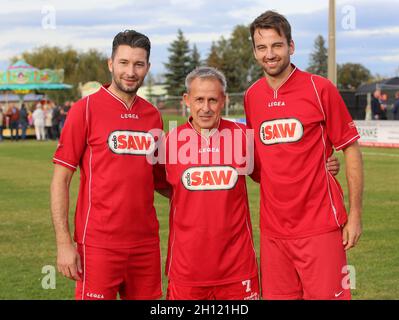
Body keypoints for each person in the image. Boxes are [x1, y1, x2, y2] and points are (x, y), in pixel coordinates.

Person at [162, 67, 341, 300]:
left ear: (224, 101)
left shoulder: (243, 137)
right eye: (199, 100)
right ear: (186, 100)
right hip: (186, 269)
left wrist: (319, 165)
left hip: (238, 269)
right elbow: (158, 183)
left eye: (213, 100)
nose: (205, 108)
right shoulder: (169, 142)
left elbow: (277, 168)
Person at [245, 11, 363, 300]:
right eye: (262, 47)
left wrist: (356, 214)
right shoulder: (252, 96)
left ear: (291, 46)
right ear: (254, 51)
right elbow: (258, 162)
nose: (270, 54)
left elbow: (350, 149)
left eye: (277, 45)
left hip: (320, 226)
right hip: (273, 232)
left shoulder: (319, 88)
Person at [50, 30, 167, 300]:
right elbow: (60, 180)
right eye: (124, 63)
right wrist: (63, 243)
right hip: (98, 244)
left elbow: (161, 180)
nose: (131, 71)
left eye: (139, 64)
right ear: (110, 64)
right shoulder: (85, 110)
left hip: (145, 244)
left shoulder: (153, 115)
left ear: (147, 67)